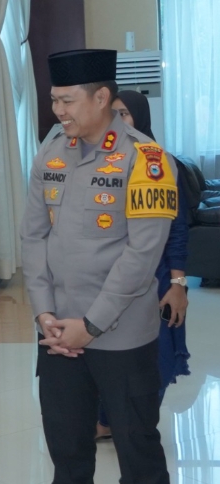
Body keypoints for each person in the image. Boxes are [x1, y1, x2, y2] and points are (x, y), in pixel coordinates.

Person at [21, 49, 175, 483]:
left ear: (102, 97)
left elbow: (142, 256)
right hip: (57, 334)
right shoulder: (51, 151)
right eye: (54, 100)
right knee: (67, 453)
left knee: (138, 452)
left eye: (67, 101)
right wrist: (44, 313)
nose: (58, 110)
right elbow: (33, 236)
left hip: (121, 335)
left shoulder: (147, 160)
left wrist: (90, 325)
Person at [94, 90, 191, 440]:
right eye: (112, 114)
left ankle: (137, 426)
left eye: (124, 114)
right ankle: (107, 421)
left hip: (156, 277)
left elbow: (177, 229)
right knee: (108, 354)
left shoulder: (158, 163)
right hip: (108, 279)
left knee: (156, 357)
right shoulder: (99, 162)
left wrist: (177, 285)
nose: (118, 122)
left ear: (140, 117)